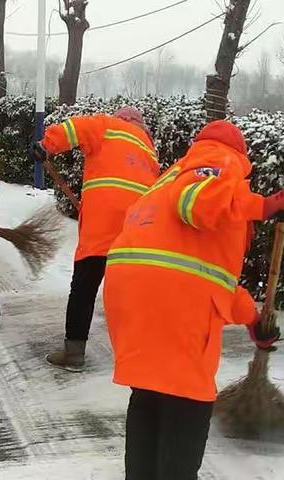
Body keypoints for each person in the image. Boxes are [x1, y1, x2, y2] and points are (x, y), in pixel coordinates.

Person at [103, 120, 282, 480]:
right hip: (170, 303)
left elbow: (204, 274)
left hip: (134, 297)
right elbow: (196, 204)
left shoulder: (169, 176)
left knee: (151, 391)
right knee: (187, 399)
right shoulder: (220, 161)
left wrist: (252, 321)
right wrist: (263, 206)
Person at [30, 107, 160, 371]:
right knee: (132, 295)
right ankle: (139, 354)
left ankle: (74, 354)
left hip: (102, 227)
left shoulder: (107, 125)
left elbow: (73, 129)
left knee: (84, 289)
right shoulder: (148, 149)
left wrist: (46, 145)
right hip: (137, 231)